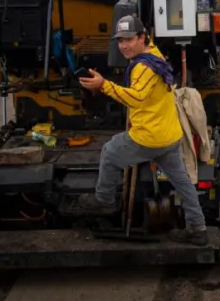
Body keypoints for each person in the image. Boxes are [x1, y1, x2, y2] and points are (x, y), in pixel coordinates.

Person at [76, 15, 208, 246]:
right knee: (183, 183)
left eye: (129, 40)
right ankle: (197, 228)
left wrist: (103, 85)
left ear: (142, 38)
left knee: (109, 152)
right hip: (169, 135)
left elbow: (137, 98)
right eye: (120, 41)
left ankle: (105, 200)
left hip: (150, 138)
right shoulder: (154, 54)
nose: (124, 46)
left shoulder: (143, 68)